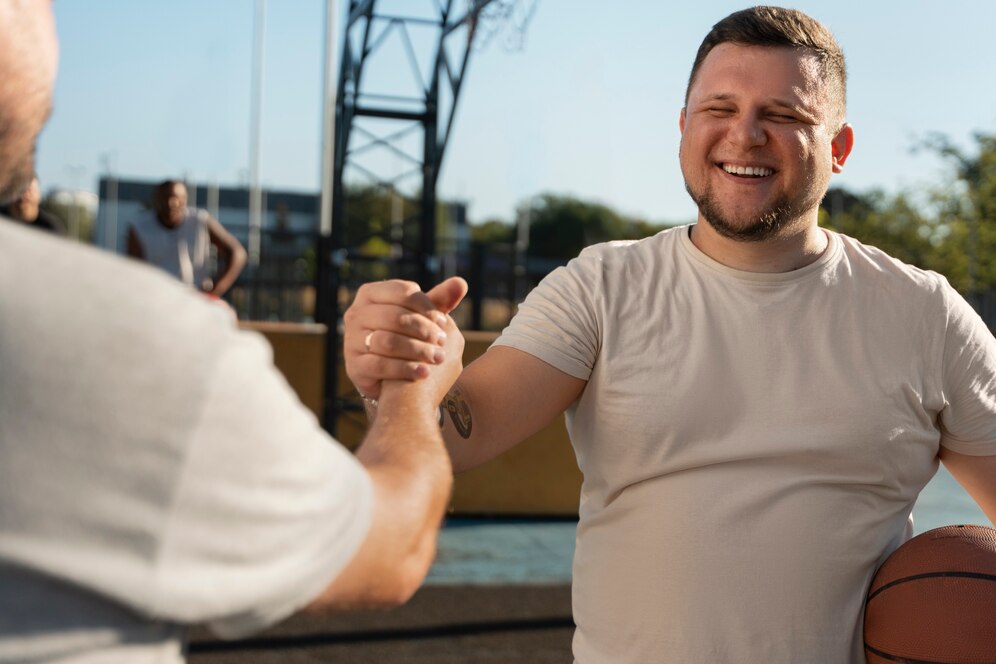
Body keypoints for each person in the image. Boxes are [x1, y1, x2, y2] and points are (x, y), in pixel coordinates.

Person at [343, 6, 996, 662]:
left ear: (840, 148)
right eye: (720, 108)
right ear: (684, 127)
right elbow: (462, 435)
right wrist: (404, 375)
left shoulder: (924, 314)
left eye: (786, 115)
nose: (746, 135)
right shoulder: (602, 286)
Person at [0, 1, 465, 662]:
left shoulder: (169, 281)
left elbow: (227, 257)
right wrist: (415, 385)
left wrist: (207, 294)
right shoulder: (144, 348)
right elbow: (394, 545)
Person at [127, 179, 247, 297]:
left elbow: (237, 252)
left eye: (177, 198)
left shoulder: (200, 221)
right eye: (165, 197)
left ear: (185, 199)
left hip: (194, 297)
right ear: (156, 199)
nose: (171, 203)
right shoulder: (139, 227)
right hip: (157, 299)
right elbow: (134, 269)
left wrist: (216, 289)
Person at [0, 175, 66, 235]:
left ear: (39, 196)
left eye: (30, 190)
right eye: (20, 191)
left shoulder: (50, 228)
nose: (24, 196)